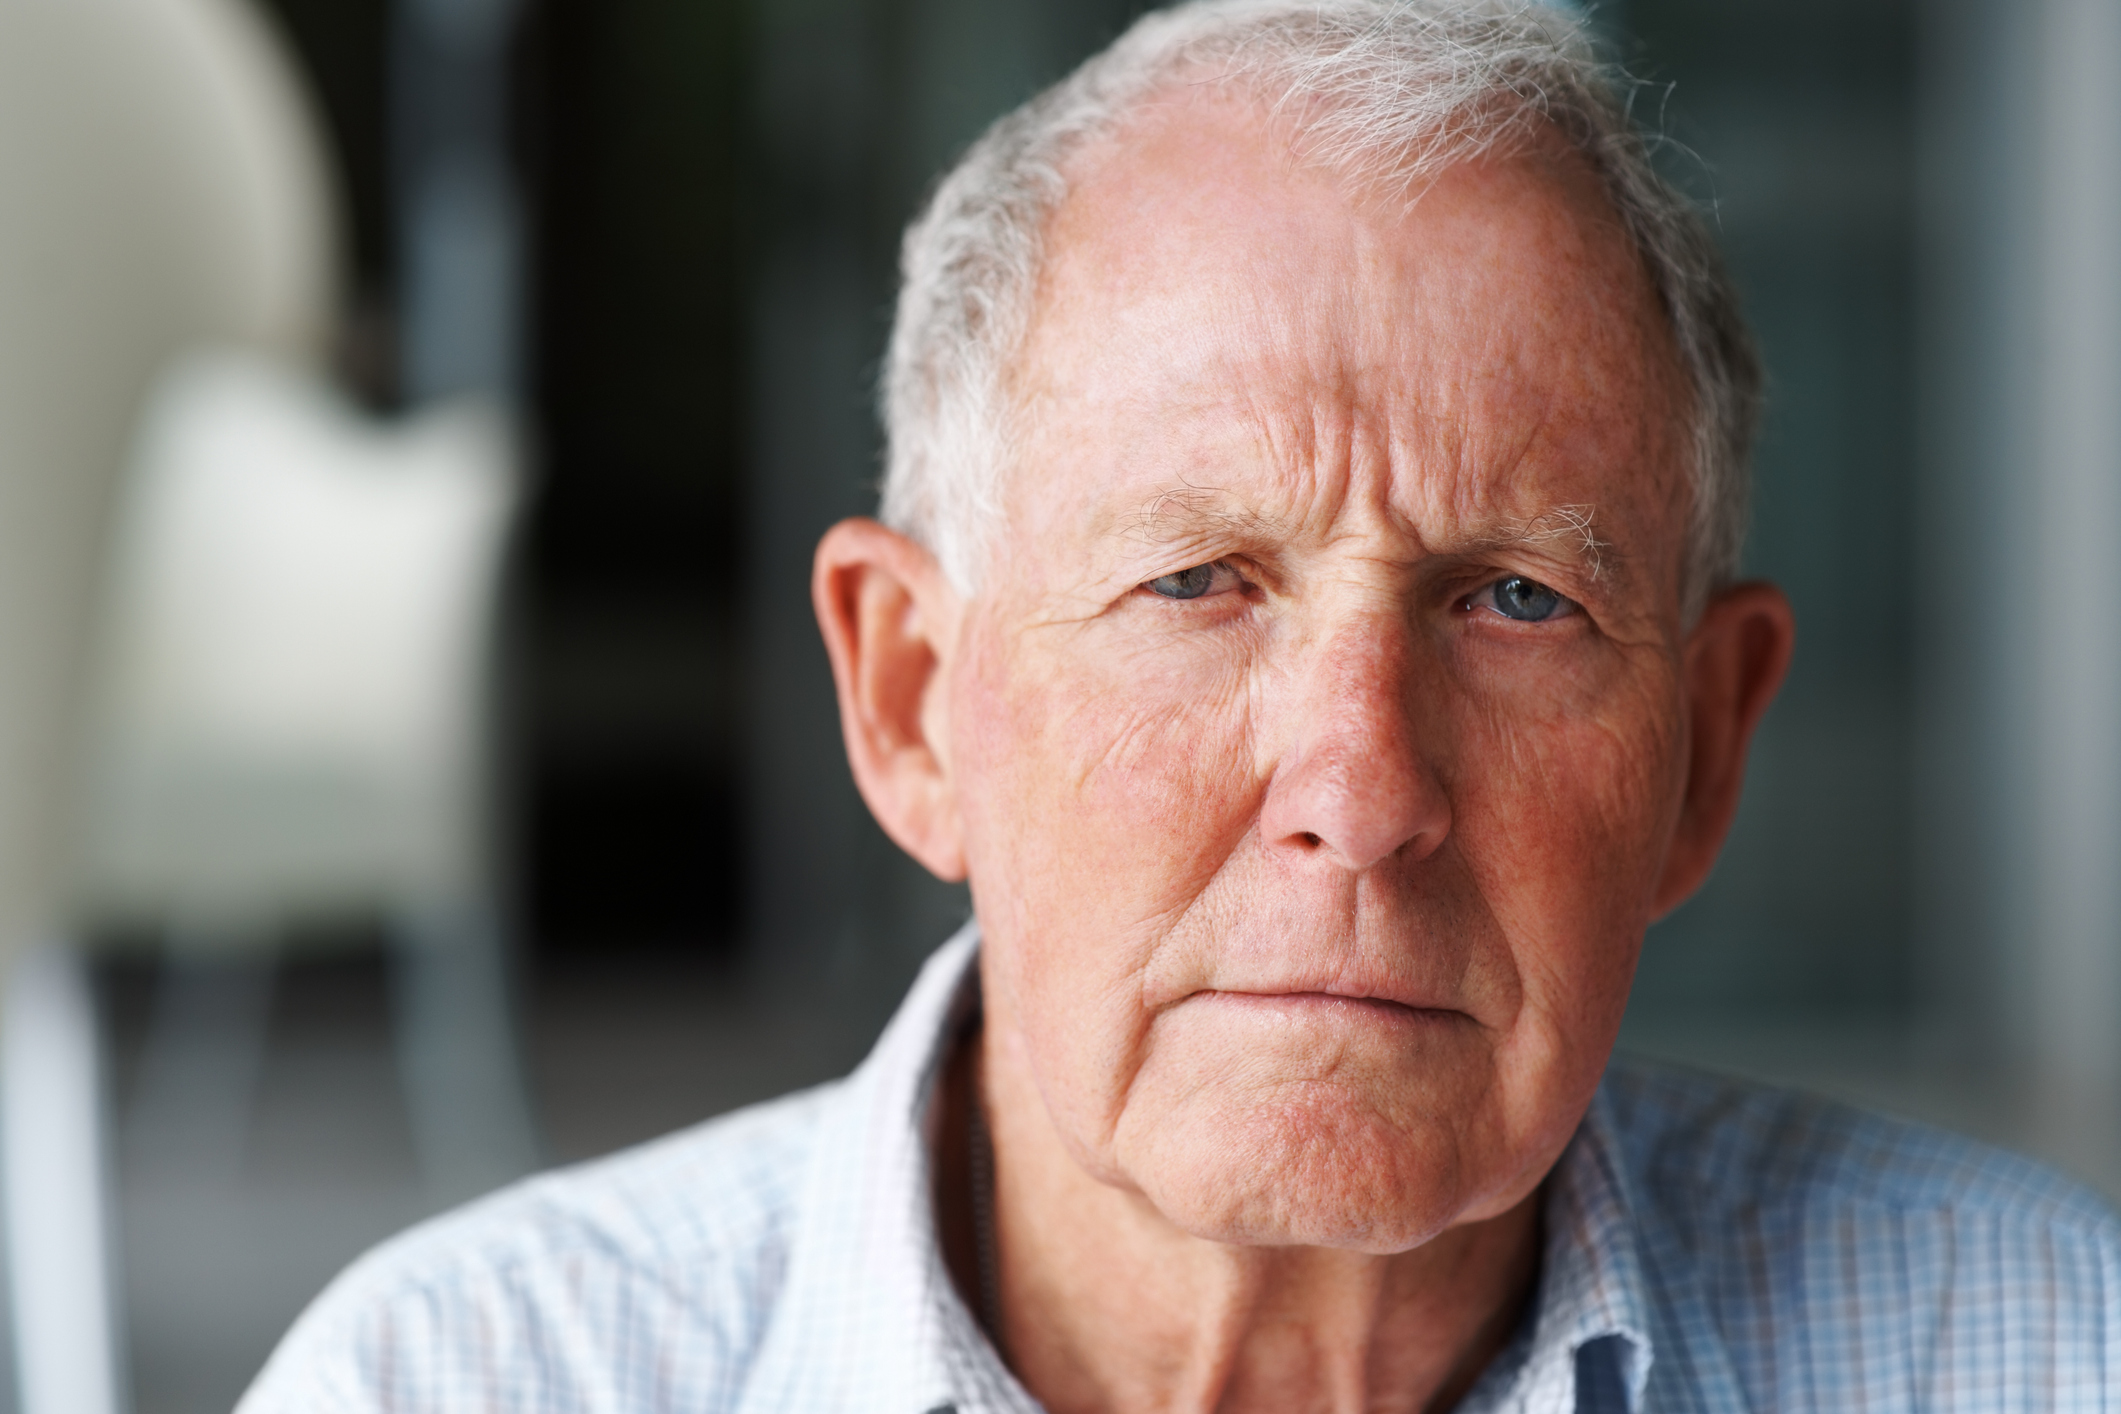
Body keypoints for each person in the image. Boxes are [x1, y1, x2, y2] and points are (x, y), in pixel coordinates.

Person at [240, 2, 2121, 1410]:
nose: (1362, 785)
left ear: (1703, 749)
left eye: (1519, 600)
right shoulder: (461, 1380)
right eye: (1197, 582)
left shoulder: (2039, 1352)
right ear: (911, 700)